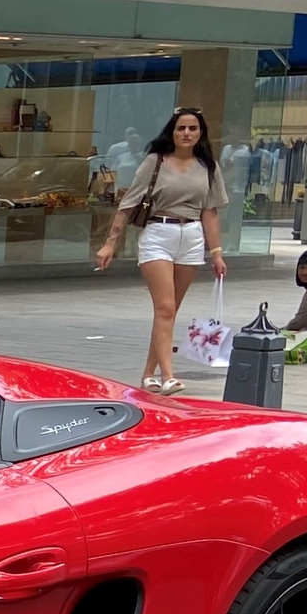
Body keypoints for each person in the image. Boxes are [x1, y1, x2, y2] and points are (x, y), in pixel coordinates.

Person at [93, 105, 229, 396]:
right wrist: (110, 243)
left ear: (201, 132)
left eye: (193, 128)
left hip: (191, 236)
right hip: (159, 232)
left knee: (168, 312)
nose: (187, 133)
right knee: (165, 308)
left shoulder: (208, 167)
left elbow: (210, 212)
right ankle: (168, 375)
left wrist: (216, 252)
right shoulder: (155, 161)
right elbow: (128, 204)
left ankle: (147, 374)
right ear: (172, 131)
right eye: (181, 128)